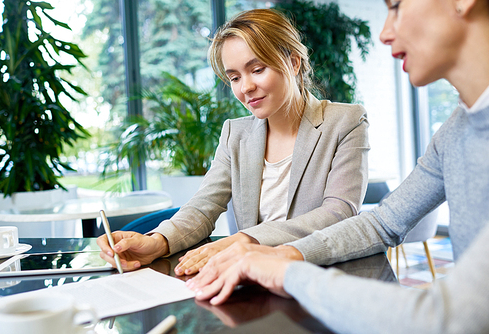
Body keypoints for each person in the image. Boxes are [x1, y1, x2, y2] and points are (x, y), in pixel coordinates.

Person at [189, 0, 489, 332]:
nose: (384, 34)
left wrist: (287, 272)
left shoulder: (346, 121)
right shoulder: (454, 132)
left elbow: (450, 317)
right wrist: (287, 254)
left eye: (396, 6)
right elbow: (381, 223)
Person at [97, 9, 369, 275]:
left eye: (257, 69)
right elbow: (202, 208)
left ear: (294, 63)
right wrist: (158, 242)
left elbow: (339, 213)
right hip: (251, 280)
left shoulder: (344, 121)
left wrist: (247, 239)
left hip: (322, 278)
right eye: (235, 77)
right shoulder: (235, 134)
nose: (245, 87)